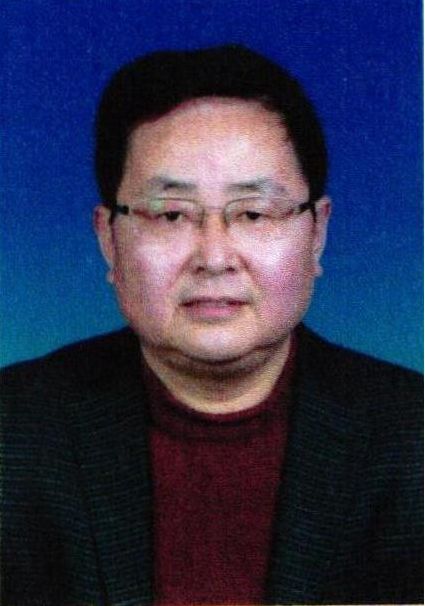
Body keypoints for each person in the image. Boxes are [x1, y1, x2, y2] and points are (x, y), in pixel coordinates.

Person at [1, 44, 422, 606]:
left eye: (253, 213)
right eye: (171, 214)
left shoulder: (413, 436)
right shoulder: (14, 432)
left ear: (317, 233)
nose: (215, 257)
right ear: (109, 239)